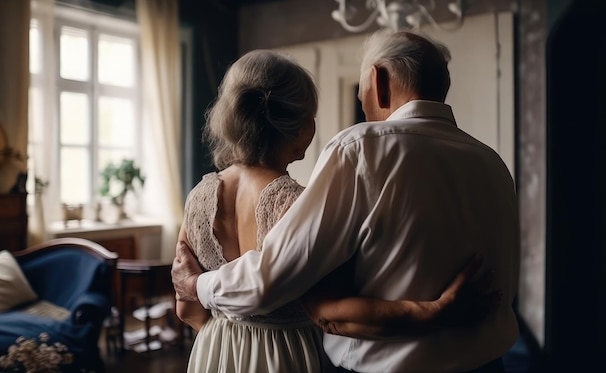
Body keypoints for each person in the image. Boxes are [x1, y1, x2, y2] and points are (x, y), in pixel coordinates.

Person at [174, 40, 512, 373]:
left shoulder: (361, 148)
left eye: (360, 92)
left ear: (378, 80)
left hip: (216, 351)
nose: (362, 104)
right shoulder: (493, 163)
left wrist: (198, 289)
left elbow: (201, 306)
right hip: (483, 363)